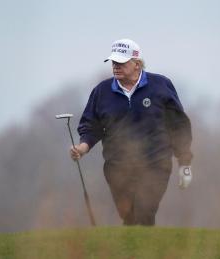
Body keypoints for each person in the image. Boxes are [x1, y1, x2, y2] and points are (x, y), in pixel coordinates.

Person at [70, 39, 193, 226]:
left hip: (156, 163)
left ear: (137, 64)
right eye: (113, 63)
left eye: (121, 63)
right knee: (128, 215)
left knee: (145, 211)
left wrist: (184, 162)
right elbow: (91, 126)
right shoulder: (102, 92)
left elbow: (178, 126)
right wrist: (82, 147)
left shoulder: (160, 86)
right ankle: (134, 250)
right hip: (117, 167)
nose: (116, 67)